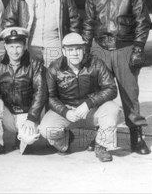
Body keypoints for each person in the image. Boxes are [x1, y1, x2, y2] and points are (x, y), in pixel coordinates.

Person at [83, 0, 152, 155]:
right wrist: (86, 51)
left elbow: (142, 20)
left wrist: (138, 48)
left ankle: (136, 136)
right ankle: (101, 136)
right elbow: (88, 23)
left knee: (129, 93)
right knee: (99, 93)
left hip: (125, 47)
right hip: (100, 48)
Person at [39, 32, 121, 162]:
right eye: (70, 50)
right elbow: (50, 97)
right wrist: (65, 112)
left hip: (91, 110)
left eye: (78, 49)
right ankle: (65, 142)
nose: (75, 53)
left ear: (83, 49)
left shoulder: (96, 63)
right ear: (64, 51)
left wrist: (88, 104)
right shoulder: (55, 68)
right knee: (46, 129)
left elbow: (111, 88)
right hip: (66, 110)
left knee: (113, 110)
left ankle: (101, 145)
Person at [0, 27, 47, 158]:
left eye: (18, 46)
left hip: (26, 114)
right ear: (5, 46)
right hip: (7, 112)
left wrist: (32, 118)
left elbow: (40, 92)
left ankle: (21, 140)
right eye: (11, 47)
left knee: (28, 139)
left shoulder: (35, 64)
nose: (15, 51)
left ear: (24, 46)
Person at [3, 0, 81, 67]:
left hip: (55, 45)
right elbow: (8, 21)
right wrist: (16, 43)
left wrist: (72, 43)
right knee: (32, 78)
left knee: (54, 76)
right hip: (31, 46)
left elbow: (74, 20)